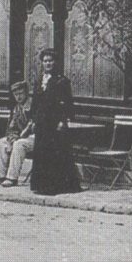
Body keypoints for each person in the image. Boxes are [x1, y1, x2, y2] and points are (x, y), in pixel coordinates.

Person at [29, 48, 82, 196]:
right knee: (41, 153)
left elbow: (67, 102)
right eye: (45, 61)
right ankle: (41, 185)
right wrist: (33, 119)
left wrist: (62, 120)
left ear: (55, 62)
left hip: (55, 123)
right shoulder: (39, 80)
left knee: (55, 154)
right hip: (41, 123)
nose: (48, 63)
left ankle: (56, 186)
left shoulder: (62, 81)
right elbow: (35, 102)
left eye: (50, 61)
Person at [0, 81, 35, 187]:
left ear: (26, 93)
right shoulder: (17, 108)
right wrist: (10, 139)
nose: (18, 97)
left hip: (36, 137)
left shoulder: (34, 105)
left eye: (20, 93)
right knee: (2, 142)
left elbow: (33, 125)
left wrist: (18, 137)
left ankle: (12, 178)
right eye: (15, 94)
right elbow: (11, 127)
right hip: (22, 137)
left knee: (19, 144)